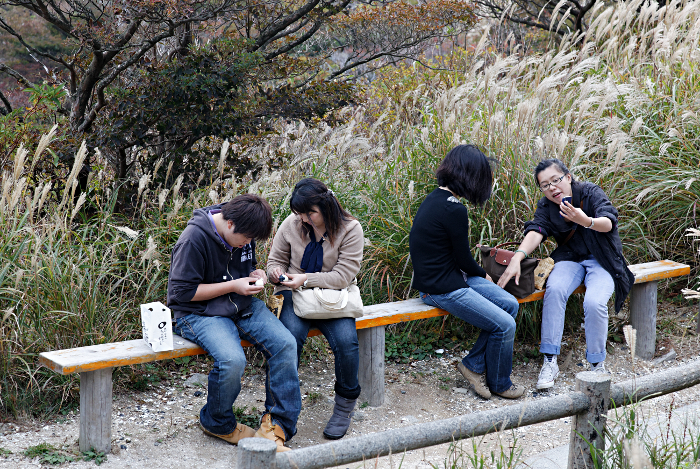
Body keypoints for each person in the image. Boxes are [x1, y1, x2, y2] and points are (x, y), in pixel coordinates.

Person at [167, 194, 301, 452]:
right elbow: (181, 294)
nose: (248, 244)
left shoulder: (242, 231)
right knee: (232, 360)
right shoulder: (193, 240)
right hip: (199, 312)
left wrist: (256, 274)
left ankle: (276, 427)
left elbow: (245, 266)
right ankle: (216, 422)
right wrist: (233, 285)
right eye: (247, 239)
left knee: (285, 343)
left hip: (241, 305)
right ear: (229, 224)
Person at [497, 159, 634, 390]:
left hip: (602, 260)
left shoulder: (590, 193)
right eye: (544, 185)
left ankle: (597, 363)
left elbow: (609, 222)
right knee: (555, 289)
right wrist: (518, 256)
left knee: (594, 302)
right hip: (569, 258)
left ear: (568, 177)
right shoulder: (547, 206)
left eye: (556, 180)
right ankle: (550, 360)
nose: (551, 187)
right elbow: (537, 230)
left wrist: (585, 220)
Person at [409, 144, 524, 400]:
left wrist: (476, 274)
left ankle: (472, 366)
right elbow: (463, 258)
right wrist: (484, 275)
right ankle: (501, 383)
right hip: (440, 287)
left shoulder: (435, 199)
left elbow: (455, 256)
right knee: (504, 324)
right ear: (470, 176)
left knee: (509, 304)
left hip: (450, 276)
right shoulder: (454, 209)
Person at [267, 178, 364, 439]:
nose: (305, 219)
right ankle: (279, 414)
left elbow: (343, 276)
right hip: (292, 292)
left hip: (332, 295)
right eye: (300, 213)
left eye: (311, 212)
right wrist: (276, 273)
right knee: (288, 340)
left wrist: (306, 279)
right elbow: (275, 260)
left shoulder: (351, 229)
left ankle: (344, 409)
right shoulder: (292, 223)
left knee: (346, 343)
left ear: (327, 206)